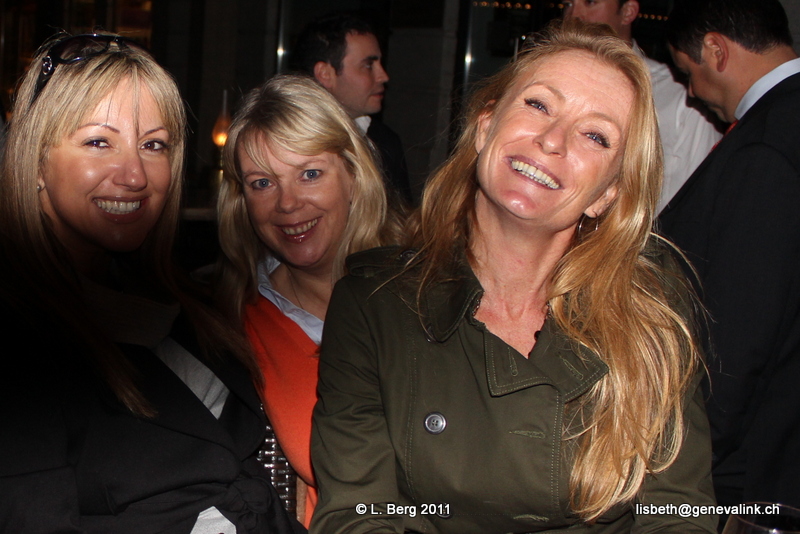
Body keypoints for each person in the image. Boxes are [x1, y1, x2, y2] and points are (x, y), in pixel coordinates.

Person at [310, 21, 716, 534]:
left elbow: (680, 514)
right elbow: (358, 514)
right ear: (485, 127)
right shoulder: (375, 304)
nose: (552, 140)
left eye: (595, 135)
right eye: (538, 105)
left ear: (607, 194)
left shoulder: (650, 310)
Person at [0, 33, 304, 534]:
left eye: (153, 145)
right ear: (35, 162)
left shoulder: (168, 296)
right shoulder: (19, 335)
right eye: (99, 142)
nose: (136, 175)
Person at [215, 74, 399, 527]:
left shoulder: (426, 287)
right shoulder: (233, 326)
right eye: (262, 183)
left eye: (310, 174)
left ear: (353, 175)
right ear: (242, 200)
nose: (288, 204)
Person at [660, 0, 800, 511]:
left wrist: (689, 468)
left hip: (757, 465)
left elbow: (739, 335)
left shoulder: (766, 146)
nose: (692, 92)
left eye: (688, 72)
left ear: (716, 50)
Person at [563, 0, 721, 212]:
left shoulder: (677, 96)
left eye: (590, 2)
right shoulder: (551, 78)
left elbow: (695, 198)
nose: (574, 14)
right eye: (568, 4)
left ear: (628, 12)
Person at [292, 13, 412, 206]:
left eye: (379, 64)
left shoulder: (386, 142)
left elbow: (400, 218)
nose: (383, 76)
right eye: (368, 65)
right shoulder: (289, 143)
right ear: (325, 74)